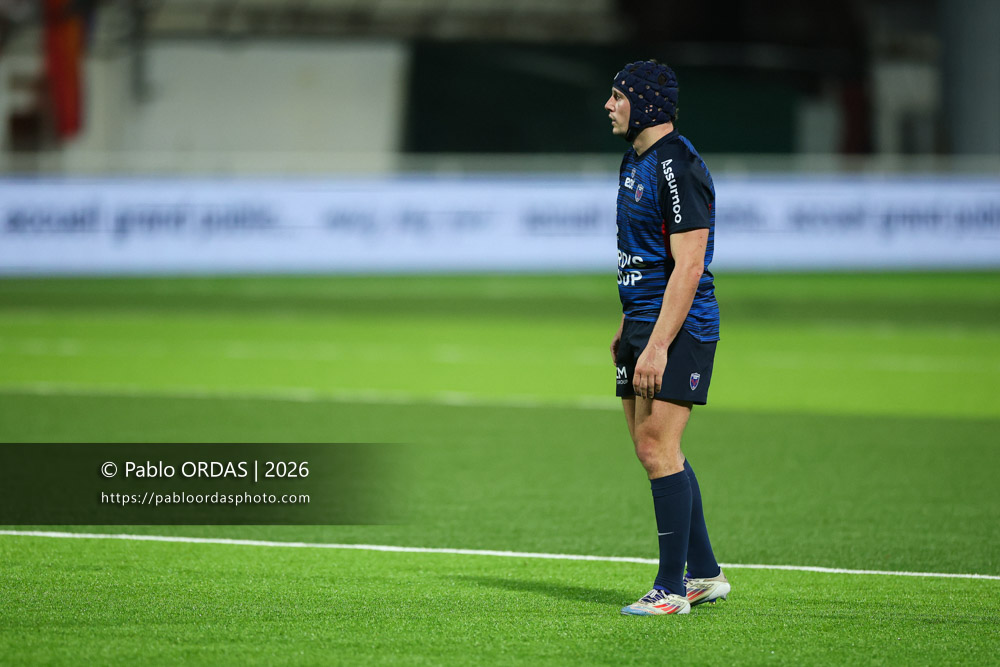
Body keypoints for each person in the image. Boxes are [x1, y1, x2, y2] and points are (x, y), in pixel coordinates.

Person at [605, 60, 729, 615]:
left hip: (677, 330)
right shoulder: (637, 161)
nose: (608, 106)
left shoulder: (678, 164)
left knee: (659, 448)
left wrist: (656, 345)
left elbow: (689, 263)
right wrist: (627, 326)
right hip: (643, 324)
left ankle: (670, 589)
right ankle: (703, 574)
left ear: (645, 104)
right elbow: (644, 257)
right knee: (651, 449)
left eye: (617, 97)